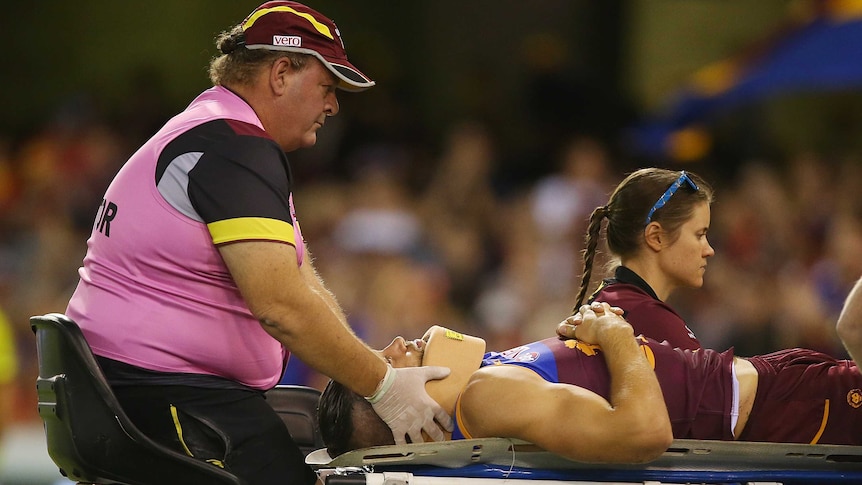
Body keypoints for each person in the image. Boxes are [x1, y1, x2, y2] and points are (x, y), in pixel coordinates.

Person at [64, 3, 451, 484]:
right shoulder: (234, 145)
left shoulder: (219, 132)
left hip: (145, 390)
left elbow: (304, 288)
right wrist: (386, 388)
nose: (333, 106)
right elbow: (281, 307)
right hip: (161, 396)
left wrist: (372, 375)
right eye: (327, 87)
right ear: (282, 72)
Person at [319, 301, 862, 463]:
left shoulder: (480, 385)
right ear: (406, 420)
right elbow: (643, 433)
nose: (392, 348)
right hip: (783, 410)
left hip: (774, 383)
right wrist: (615, 333)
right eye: (385, 373)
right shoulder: (484, 400)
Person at [569, 168, 715, 350]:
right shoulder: (654, 323)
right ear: (656, 237)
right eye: (699, 235)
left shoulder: (610, 300)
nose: (709, 250)